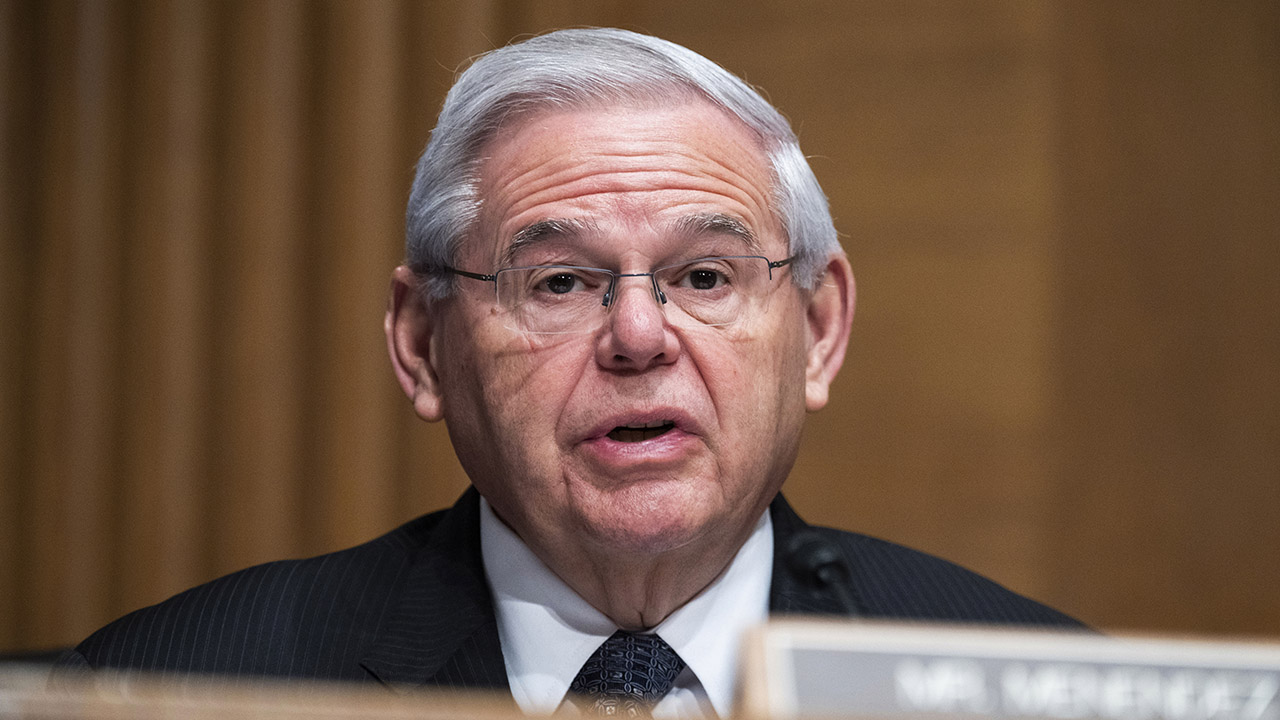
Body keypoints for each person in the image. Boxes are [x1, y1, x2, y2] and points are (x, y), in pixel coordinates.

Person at [57, 28, 1081, 717]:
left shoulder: (1038, 692)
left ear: (815, 330)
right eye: (555, 282)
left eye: (704, 274)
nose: (638, 333)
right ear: (421, 344)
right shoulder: (172, 689)